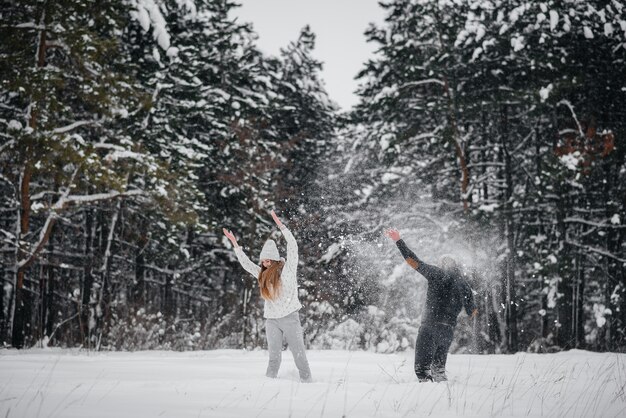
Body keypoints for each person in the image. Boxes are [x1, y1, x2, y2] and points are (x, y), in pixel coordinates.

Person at [223, 210, 312, 383]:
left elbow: (293, 246)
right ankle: (267, 387)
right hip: (272, 320)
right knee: (273, 358)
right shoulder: (262, 275)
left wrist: (281, 226)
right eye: (263, 261)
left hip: (290, 317)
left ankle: (307, 382)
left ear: (275, 260)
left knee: (299, 354)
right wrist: (235, 243)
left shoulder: (287, 270)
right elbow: (247, 264)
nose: (264, 264)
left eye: (268, 261)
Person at [384, 228, 477, 382]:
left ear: (441, 264)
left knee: (422, 369)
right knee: (438, 370)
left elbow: (412, 261)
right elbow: (472, 310)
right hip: (447, 329)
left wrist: (398, 241)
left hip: (430, 326)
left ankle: (425, 392)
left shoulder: (436, 273)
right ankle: (443, 396)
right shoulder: (463, 283)